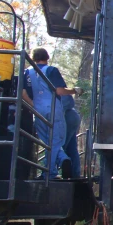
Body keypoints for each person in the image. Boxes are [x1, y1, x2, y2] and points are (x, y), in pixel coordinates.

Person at [21, 48, 82, 179]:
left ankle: (59, 162)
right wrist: (75, 91)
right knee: (56, 140)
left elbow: (23, 94)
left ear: (33, 58)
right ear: (47, 57)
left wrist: (35, 106)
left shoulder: (27, 72)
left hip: (37, 110)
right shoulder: (51, 70)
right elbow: (59, 91)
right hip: (54, 108)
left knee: (47, 142)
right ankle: (51, 172)